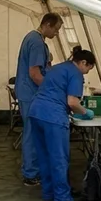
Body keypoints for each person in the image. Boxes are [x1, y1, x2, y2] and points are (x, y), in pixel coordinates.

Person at [26, 46, 97, 201]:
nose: (86, 73)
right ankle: (62, 197)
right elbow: (72, 102)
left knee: (44, 156)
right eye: (88, 69)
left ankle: (48, 193)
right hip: (53, 116)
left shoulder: (57, 68)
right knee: (59, 157)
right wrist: (85, 112)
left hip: (36, 112)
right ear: (83, 62)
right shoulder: (75, 74)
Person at [15, 13, 62, 186]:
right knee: (32, 134)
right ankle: (30, 173)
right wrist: (51, 90)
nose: (57, 33)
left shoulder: (35, 40)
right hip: (31, 93)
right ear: (47, 24)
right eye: (56, 29)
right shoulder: (36, 42)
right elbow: (35, 74)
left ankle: (33, 170)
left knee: (32, 132)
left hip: (28, 92)